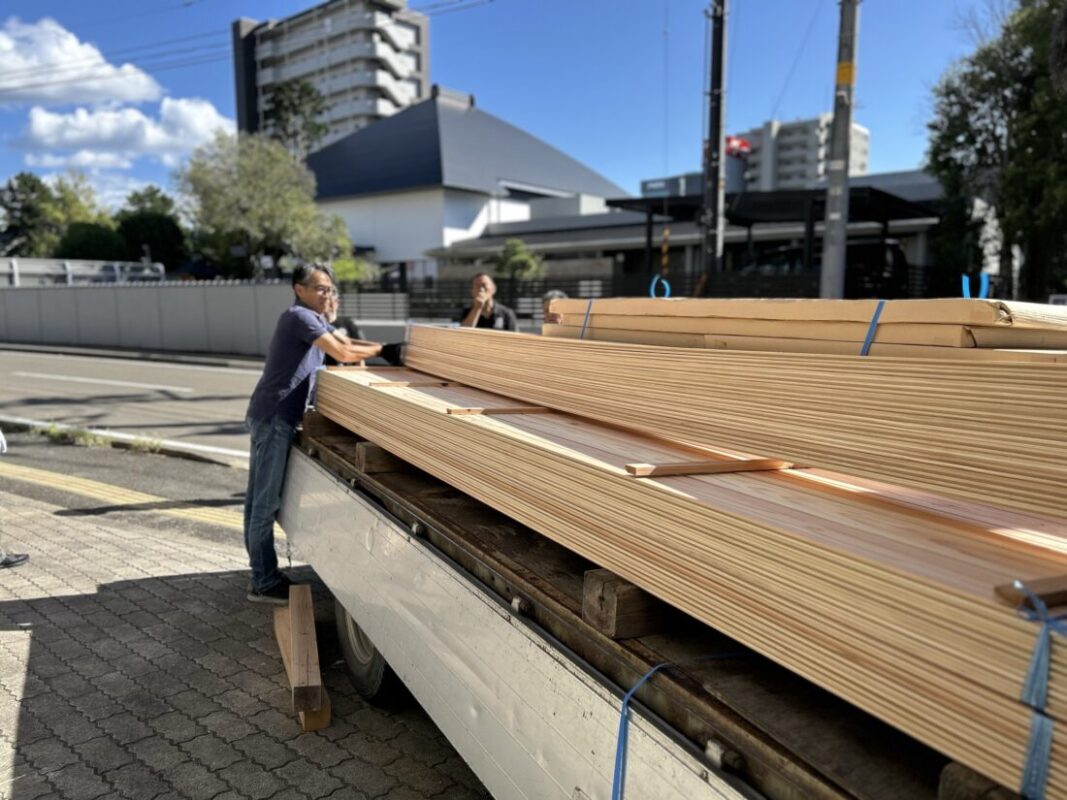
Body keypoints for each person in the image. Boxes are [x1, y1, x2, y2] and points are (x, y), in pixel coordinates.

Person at [244, 263, 383, 605]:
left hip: (270, 416)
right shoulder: (299, 317)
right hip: (275, 418)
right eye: (320, 289)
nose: (327, 295)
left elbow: (344, 343)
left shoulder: (315, 320)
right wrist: (386, 351)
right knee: (264, 504)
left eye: (330, 289)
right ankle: (263, 582)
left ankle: (261, 574)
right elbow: (343, 352)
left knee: (257, 501)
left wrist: (360, 339)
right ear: (299, 289)